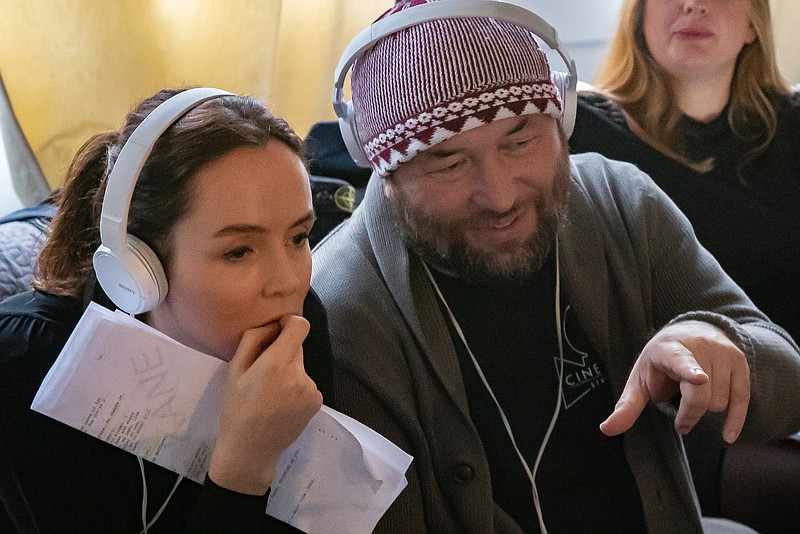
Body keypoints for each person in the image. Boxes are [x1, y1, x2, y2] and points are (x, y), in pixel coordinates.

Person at [310, 1, 800, 533]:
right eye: (448, 162)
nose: (499, 197)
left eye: (521, 140)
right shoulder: (340, 312)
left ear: (563, 124)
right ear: (386, 174)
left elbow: (789, 384)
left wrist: (718, 346)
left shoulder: (619, 202)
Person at [0, 88, 328, 532]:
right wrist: (243, 471)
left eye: (298, 237)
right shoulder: (24, 365)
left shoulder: (302, 322)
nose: (289, 282)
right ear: (138, 266)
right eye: (239, 252)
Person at [568, 0, 800, 522]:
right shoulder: (579, 133)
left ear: (752, 25)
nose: (693, 4)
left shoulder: (795, 133)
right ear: (638, 16)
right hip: (672, 417)